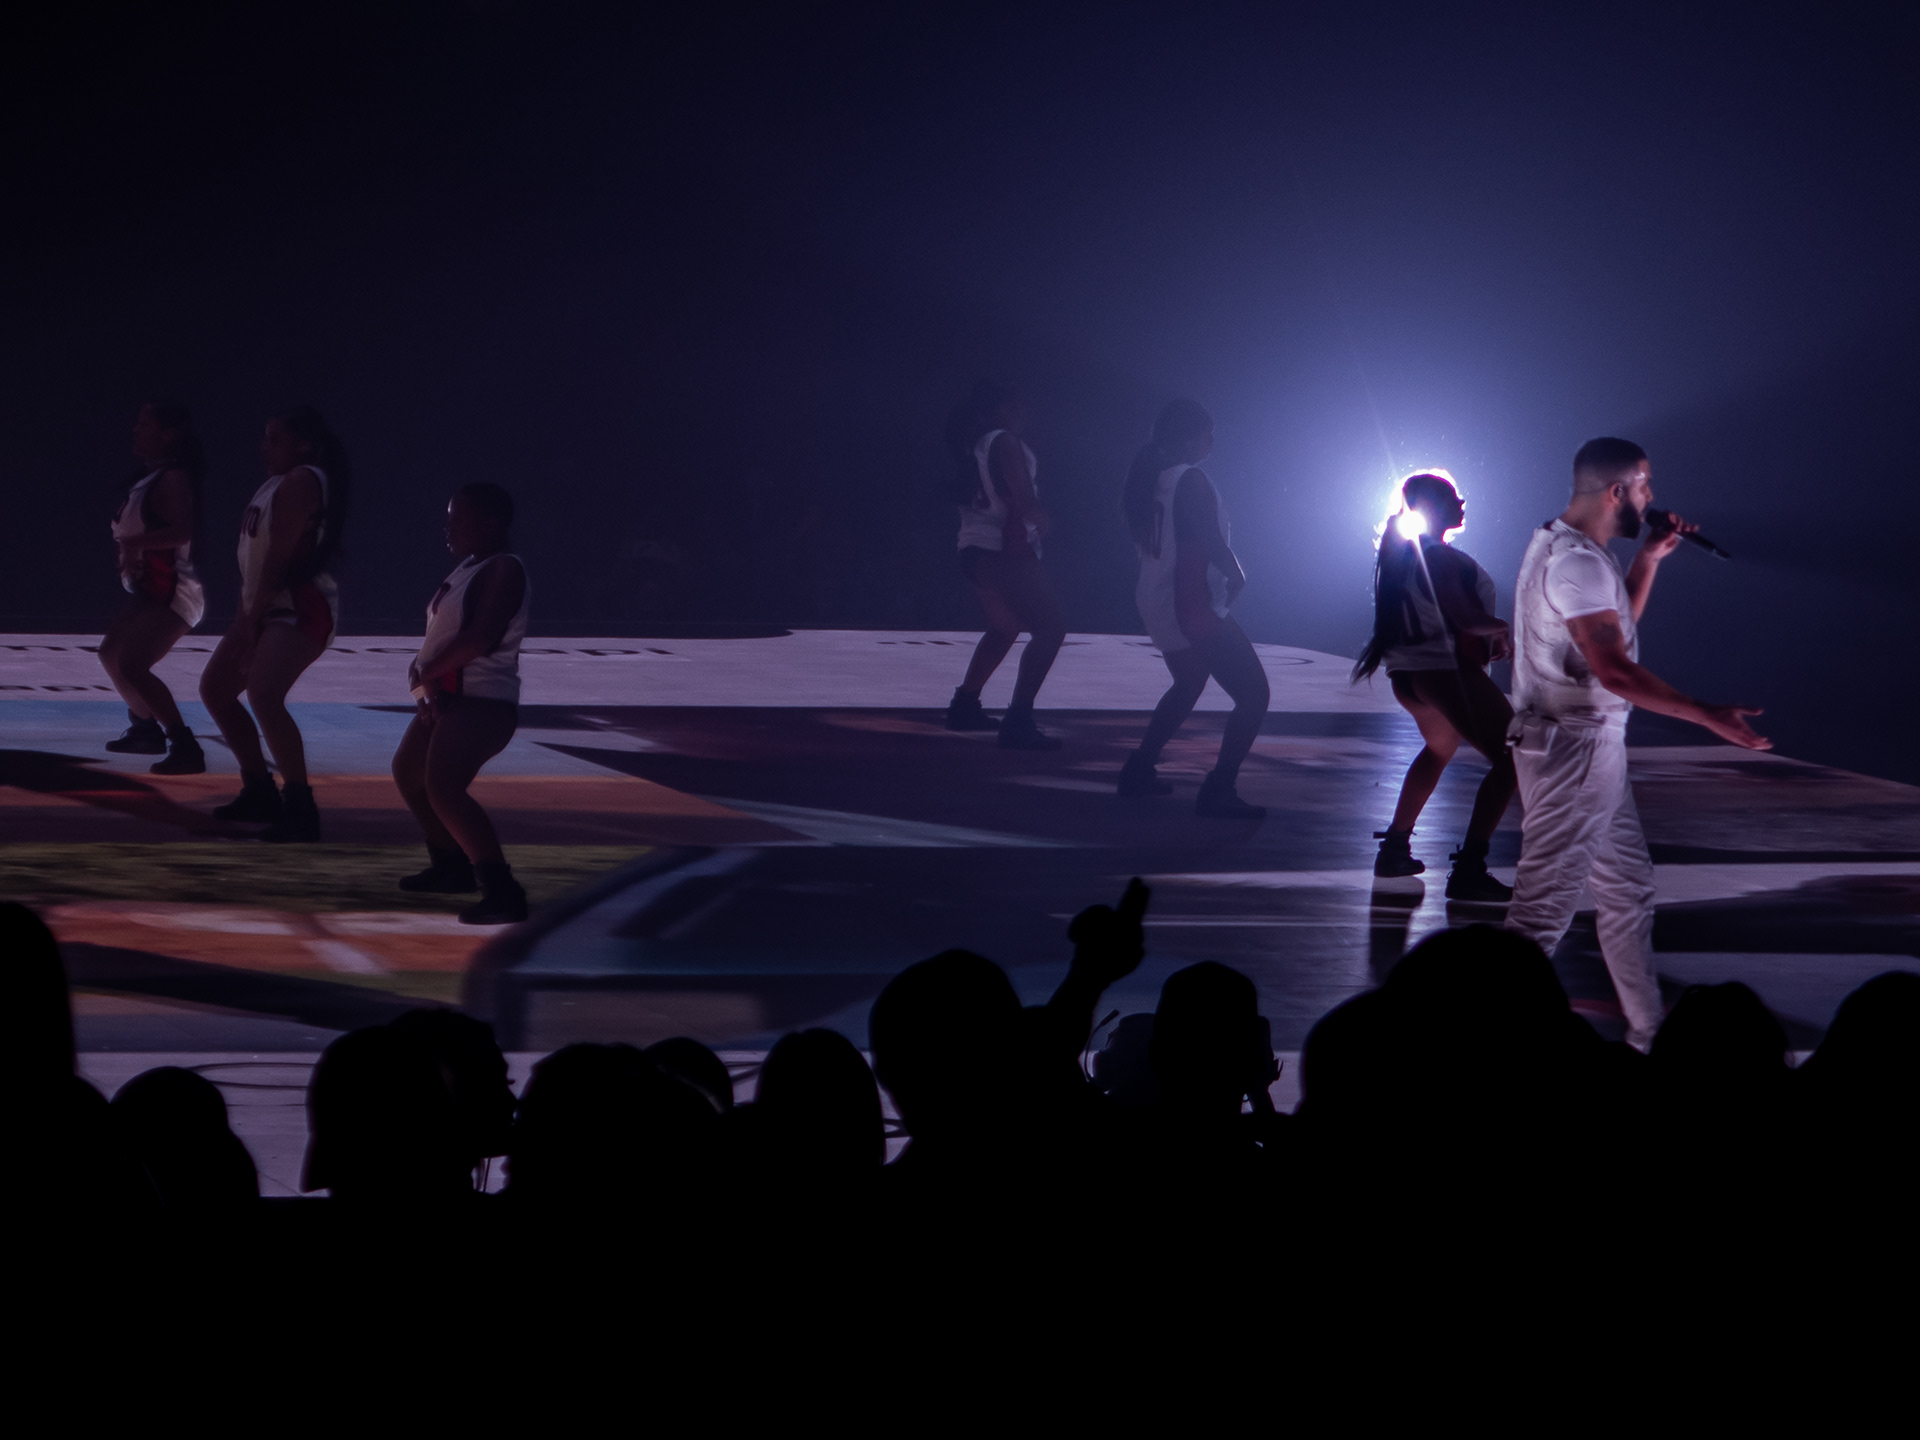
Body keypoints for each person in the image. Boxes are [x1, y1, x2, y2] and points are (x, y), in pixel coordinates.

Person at [1504, 437, 1768, 1051]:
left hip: (1580, 746)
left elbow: (1610, 638)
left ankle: (1649, 1036)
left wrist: (1648, 560)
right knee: (1540, 915)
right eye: (1645, 484)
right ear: (1616, 491)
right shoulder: (1578, 564)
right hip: (1577, 751)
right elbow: (1615, 671)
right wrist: (1705, 714)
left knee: (1627, 888)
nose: (1652, 497)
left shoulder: (1560, 545)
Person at [1353, 472, 1517, 900]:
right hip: (1443, 673)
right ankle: (1469, 869)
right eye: (1451, 496)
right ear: (1431, 508)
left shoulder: (1404, 555)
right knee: (1516, 755)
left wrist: (1488, 637)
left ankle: (1394, 849)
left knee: (1439, 750)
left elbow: (1449, 620)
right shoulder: (1439, 558)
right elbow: (1465, 619)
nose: (1461, 501)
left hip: (1410, 677)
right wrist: (1503, 629)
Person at [199, 406, 350, 843]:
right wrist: (245, 613)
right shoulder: (276, 482)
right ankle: (259, 791)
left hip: (300, 605)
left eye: (274, 439)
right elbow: (255, 560)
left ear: (303, 445)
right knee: (216, 689)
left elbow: (279, 559)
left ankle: (301, 809)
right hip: (269, 602)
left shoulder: (302, 480)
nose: (264, 447)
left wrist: (250, 620)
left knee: (264, 694)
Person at [1115, 398, 1269, 819]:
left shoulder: (1150, 478)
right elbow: (1207, 537)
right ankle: (1219, 789)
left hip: (1156, 594)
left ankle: (1138, 769)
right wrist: (1235, 572)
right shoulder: (1191, 478)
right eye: (1207, 434)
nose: (1212, 442)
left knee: (1188, 683)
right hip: (1190, 598)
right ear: (1188, 439)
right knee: (1254, 694)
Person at [391, 483, 530, 924]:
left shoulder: (504, 568)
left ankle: (503, 891)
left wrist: (428, 673)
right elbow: (439, 644)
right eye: (450, 518)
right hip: (451, 696)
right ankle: (451, 865)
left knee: (444, 787)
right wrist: (422, 684)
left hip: (482, 700)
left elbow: (479, 638)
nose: (449, 528)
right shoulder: (471, 567)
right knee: (409, 773)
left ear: (492, 522)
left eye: (460, 519)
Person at [942, 381, 1066, 750]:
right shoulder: (1005, 442)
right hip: (1002, 550)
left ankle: (965, 704)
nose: (1023, 414)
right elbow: (1023, 499)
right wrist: (1042, 520)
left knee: (1005, 627)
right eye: (1017, 406)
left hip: (974, 548)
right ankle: (1018, 719)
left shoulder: (974, 444)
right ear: (1001, 408)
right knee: (1050, 630)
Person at [99, 401, 208, 775]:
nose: (135, 429)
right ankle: (145, 729)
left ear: (168, 434)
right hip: (149, 589)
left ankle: (184, 744)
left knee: (132, 663)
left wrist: (133, 546)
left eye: (144, 424)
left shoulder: (173, 477)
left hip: (173, 591)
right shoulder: (152, 476)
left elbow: (183, 531)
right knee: (111, 654)